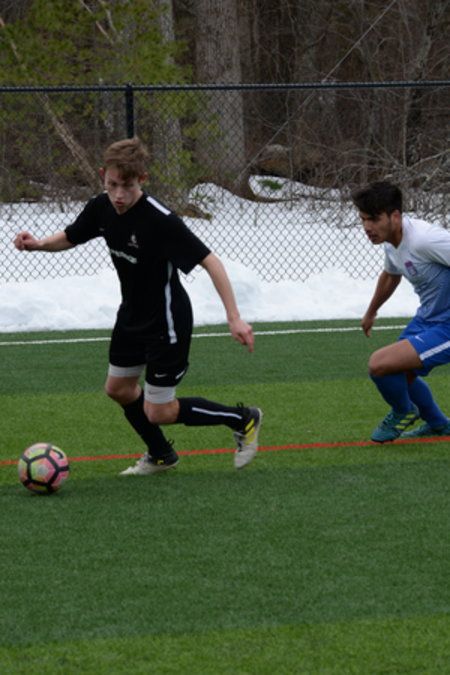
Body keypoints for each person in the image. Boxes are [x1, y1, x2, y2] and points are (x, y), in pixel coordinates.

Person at [14, 136, 262, 473]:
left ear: (141, 180)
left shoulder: (160, 220)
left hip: (166, 323)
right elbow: (71, 236)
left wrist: (234, 317)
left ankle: (242, 418)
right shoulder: (101, 207)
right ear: (103, 175)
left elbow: (211, 262)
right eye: (112, 184)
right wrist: (38, 244)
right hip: (131, 315)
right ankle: (161, 455)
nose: (118, 195)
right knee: (118, 389)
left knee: (158, 411)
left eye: (127, 186)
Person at [352, 180, 450, 443]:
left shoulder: (425, 240)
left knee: (380, 364)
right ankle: (438, 425)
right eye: (363, 219)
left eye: (373, 219)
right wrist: (371, 311)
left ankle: (403, 410)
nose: (367, 227)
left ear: (395, 216)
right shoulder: (391, 240)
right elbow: (391, 275)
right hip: (428, 318)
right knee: (397, 372)